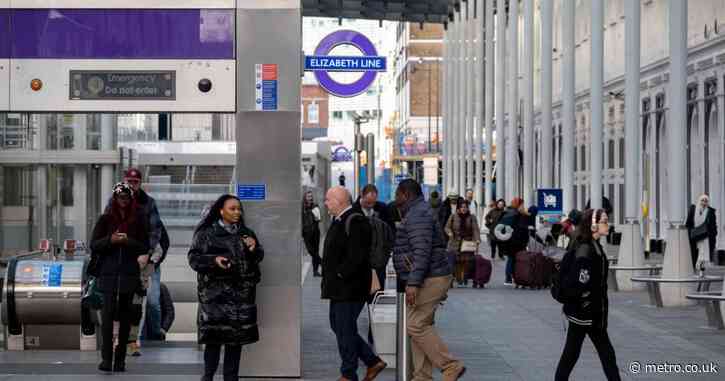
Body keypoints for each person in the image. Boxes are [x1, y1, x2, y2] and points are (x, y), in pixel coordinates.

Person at [393, 179, 466, 381]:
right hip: (431, 274)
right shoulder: (418, 211)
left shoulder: (417, 215)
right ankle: (422, 376)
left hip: (430, 277)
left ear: (405, 195)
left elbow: (422, 251)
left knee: (415, 325)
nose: (394, 198)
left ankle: (450, 365)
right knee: (422, 325)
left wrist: (413, 283)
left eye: (397, 194)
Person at [188, 194, 264, 381]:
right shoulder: (206, 233)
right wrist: (214, 261)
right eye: (232, 208)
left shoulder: (246, 233)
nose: (237, 212)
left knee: (234, 344)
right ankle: (208, 377)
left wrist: (254, 249)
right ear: (221, 210)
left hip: (240, 299)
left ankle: (231, 378)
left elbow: (258, 259)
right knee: (213, 342)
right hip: (215, 298)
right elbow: (194, 259)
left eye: (239, 209)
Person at [321, 187, 387, 381]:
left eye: (328, 200)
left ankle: (348, 374)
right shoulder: (341, 219)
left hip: (350, 288)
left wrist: (340, 273)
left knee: (345, 328)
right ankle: (372, 361)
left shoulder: (355, 220)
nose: (325, 203)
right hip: (340, 287)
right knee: (339, 326)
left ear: (339, 201)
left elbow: (356, 256)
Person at [105, 168, 167, 356]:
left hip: (142, 261)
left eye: (135, 182)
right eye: (128, 182)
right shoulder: (112, 208)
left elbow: (155, 233)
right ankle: (122, 341)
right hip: (120, 261)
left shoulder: (146, 206)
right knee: (120, 302)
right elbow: (104, 234)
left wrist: (145, 254)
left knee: (141, 302)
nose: (131, 186)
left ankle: (136, 339)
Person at [555, 209, 621, 381]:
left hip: (591, 313)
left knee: (599, 354)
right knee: (575, 355)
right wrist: (585, 302)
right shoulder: (586, 248)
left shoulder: (594, 245)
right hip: (584, 314)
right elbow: (580, 281)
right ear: (593, 225)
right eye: (604, 221)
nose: (608, 224)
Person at [90, 182, 149, 373]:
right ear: (114, 199)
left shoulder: (138, 219)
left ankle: (120, 360)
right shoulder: (105, 219)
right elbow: (94, 244)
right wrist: (111, 240)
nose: (123, 201)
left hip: (128, 274)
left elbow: (143, 246)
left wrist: (126, 241)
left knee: (125, 318)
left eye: (126, 198)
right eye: (119, 197)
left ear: (131, 199)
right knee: (107, 317)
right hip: (108, 274)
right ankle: (106, 359)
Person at [445, 200, 480, 287]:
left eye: (465, 207)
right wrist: (449, 233)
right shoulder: (453, 216)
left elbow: (475, 229)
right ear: (459, 208)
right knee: (455, 262)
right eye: (462, 207)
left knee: (466, 262)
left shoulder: (472, 217)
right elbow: (447, 227)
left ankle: (464, 278)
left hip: (467, 243)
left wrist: (477, 239)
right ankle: (456, 279)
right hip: (454, 242)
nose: (464, 209)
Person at [498, 197, 529, 286]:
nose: (523, 207)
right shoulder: (515, 214)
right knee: (513, 259)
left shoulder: (509, 212)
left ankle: (510, 278)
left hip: (510, 240)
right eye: (522, 205)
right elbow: (519, 228)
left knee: (511, 259)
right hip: (515, 241)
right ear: (518, 205)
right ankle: (511, 278)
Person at [686, 194, 718, 272]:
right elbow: (688, 223)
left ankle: (701, 270)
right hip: (694, 235)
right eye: (702, 200)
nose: (704, 202)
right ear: (699, 201)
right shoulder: (693, 209)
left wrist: (713, 234)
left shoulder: (710, 211)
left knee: (703, 253)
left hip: (705, 236)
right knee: (694, 252)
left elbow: (713, 224)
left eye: (706, 201)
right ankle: (693, 268)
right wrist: (689, 232)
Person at [302, 190, 323, 277]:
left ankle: (315, 271)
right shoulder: (302, 208)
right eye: (308, 196)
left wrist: (316, 214)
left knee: (316, 251)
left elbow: (319, 219)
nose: (310, 198)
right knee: (311, 251)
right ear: (305, 198)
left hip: (315, 232)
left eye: (311, 196)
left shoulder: (315, 206)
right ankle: (322, 262)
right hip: (306, 233)